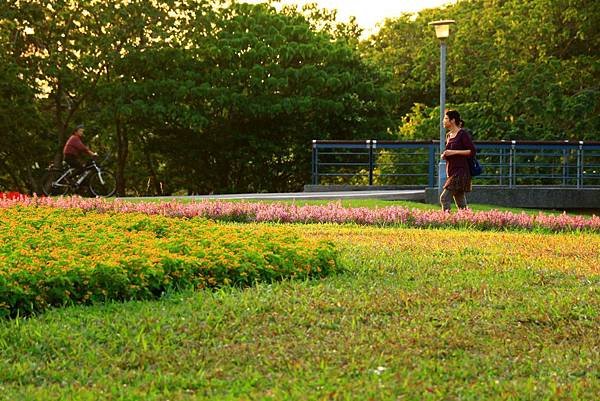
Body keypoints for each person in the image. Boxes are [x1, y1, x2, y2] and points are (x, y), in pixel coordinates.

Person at [440, 110, 476, 212]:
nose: (443, 121)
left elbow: (471, 151)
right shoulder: (448, 135)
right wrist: (445, 155)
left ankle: (446, 221)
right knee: (460, 202)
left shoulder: (462, 134)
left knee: (444, 198)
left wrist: (452, 152)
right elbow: (451, 153)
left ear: (452, 120)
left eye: (446, 119)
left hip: (461, 172)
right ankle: (468, 221)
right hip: (451, 171)